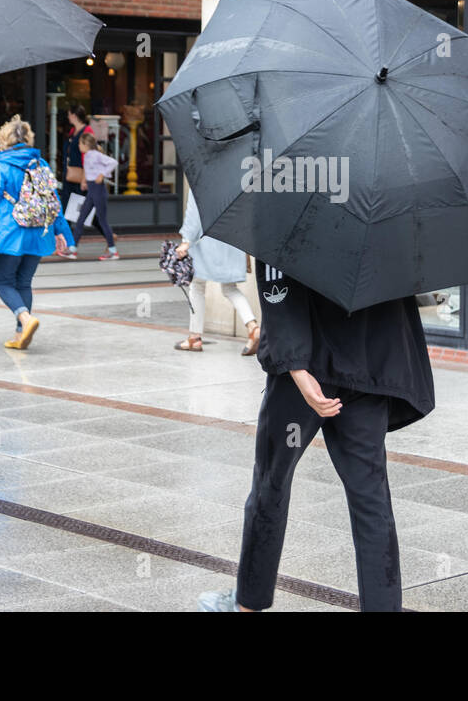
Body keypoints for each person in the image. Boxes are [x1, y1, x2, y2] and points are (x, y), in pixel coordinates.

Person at [198, 263, 435, 612]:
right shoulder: (386, 210)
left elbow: (277, 281)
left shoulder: (286, 209)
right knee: (371, 497)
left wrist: (296, 367)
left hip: (306, 373)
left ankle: (248, 604)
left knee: (271, 482)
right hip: (365, 371)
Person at [0, 115, 74, 349]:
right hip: (39, 233)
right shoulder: (41, 165)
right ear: (27, 139)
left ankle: (25, 319)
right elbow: (54, 202)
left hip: (9, 234)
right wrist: (63, 234)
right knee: (24, 282)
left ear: (3, 141)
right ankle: (21, 334)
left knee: (3, 283)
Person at [173, 190, 259, 354]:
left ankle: (195, 337)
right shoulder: (235, 178)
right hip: (232, 240)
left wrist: (186, 241)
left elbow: (194, 214)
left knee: (197, 286)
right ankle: (253, 327)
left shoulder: (201, 176)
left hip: (207, 242)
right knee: (230, 288)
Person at [73, 132, 119, 260]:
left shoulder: (95, 155)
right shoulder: (87, 155)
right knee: (81, 218)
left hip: (98, 190)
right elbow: (89, 171)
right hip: (92, 190)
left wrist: (102, 174)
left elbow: (113, 162)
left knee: (101, 220)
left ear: (86, 144)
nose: (78, 146)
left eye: (80, 143)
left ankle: (112, 251)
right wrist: (85, 181)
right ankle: (72, 248)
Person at [60, 104, 95, 226]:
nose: (68, 117)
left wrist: (85, 179)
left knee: (82, 209)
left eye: (69, 114)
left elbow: (89, 157)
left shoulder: (87, 131)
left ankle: (108, 234)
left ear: (74, 116)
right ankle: (67, 239)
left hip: (79, 176)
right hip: (70, 175)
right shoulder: (72, 132)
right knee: (67, 208)